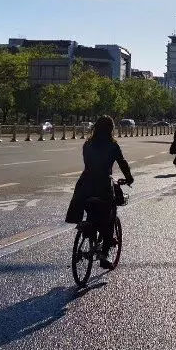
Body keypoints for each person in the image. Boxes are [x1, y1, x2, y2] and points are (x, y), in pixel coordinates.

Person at [65, 115, 133, 268]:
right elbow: (122, 163)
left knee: (89, 209)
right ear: (111, 129)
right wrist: (129, 178)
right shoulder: (112, 145)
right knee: (109, 217)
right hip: (103, 185)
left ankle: (87, 228)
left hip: (85, 184)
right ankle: (104, 255)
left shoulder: (87, 144)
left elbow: (90, 163)